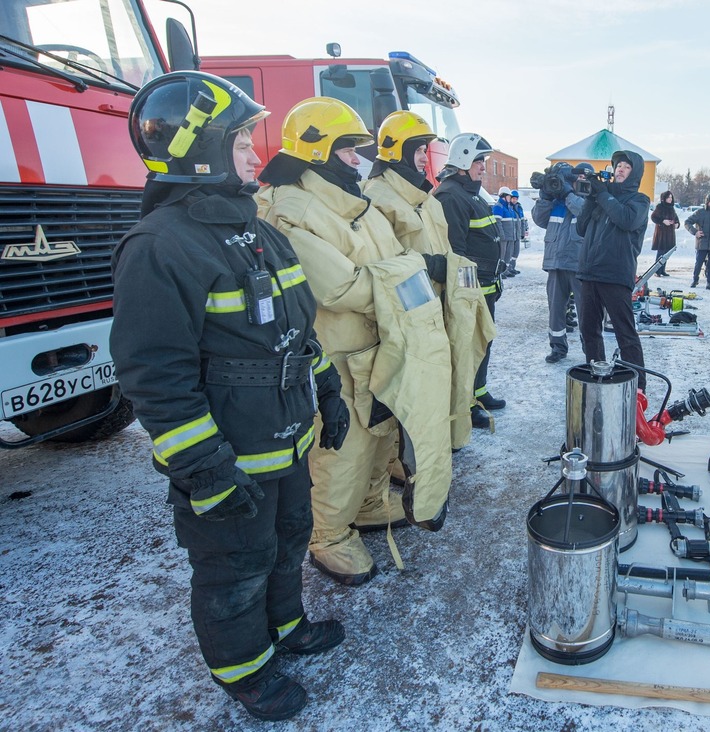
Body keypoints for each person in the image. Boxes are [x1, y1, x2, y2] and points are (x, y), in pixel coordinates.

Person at [112, 72, 348, 721]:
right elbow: (156, 376)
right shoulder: (161, 246)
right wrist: (206, 470)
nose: (254, 150)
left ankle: (285, 628)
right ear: (198, 147)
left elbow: (300, 330)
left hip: (286, 440)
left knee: (288, 539)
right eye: (241, 138)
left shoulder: (261, 233)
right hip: (231, 458)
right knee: (234, 565)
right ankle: (247, 673)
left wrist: (326, 389)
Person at [257, 97, 452, 588]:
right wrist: (404, 277)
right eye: (348, 152)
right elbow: (340, 288)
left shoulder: (354, 206)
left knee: (380, 430)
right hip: (337, 353)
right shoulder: (292, 212)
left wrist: (398, 277)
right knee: (343, 448)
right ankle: (327, 535)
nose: (359, 162)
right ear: (318, 152)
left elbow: (391, 266)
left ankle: (367, 505)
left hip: (379, 343)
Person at [364, 111, 495, 452]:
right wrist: (430, 267)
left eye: (426, 149)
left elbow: (449, 250)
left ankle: (440, 446)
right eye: (419, 149)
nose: (426, 158)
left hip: (436, 306)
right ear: (398, 151)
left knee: (445, 380)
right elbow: (382, 264)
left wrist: (453, 280)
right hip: (409, 315)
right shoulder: (379, 196)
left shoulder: (424, 197)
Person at [434, 133, 505, 429]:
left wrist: (495, 277)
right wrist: (467, 293)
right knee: (466, 348)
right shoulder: (451, 196)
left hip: (485, 287)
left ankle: (479, 391)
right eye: (479, 161)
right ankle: (466, 404)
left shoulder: (470, 193)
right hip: (470, 291)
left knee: (482, 343)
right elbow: (456, 252)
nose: (483, 168)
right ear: (462, 160)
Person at [576, 150, 650, 390]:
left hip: (616, 275)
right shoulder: (602, 198)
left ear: (634, 173)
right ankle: (597, 375)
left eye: (626, 167)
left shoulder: (639, 201)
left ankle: (638, 387)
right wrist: (591, 197)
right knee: (589, 330)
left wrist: (604, 195)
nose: (620, 169)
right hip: (589, 272)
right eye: (618, 165)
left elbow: (626, 220)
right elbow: (580, 228)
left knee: (624, 332)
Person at [533, 161, 587, 363]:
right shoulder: (557, 200)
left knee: (585, 310)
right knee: (555, 309)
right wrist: (545, 196)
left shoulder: (587, 199)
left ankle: (590, 347)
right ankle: (557, 347)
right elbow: (539, 219)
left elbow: (584, 213)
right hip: (556, 262)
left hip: (579, 264)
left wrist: (567, 194)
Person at [685, 193, 710, 290]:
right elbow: (687, 222)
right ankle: (695, 280)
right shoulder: (700, 213)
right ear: (707, 202)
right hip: (702, 243)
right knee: (699, 263)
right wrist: (695, 232)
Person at [649, 190, 679, 277]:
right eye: (668, 197)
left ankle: (662, 270)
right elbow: (653, 217)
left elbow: (676, 218)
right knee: (661, 252)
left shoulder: (671, 208)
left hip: (670, 233)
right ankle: (657, 270)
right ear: (664, 198)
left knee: (667, 252)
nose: (670, 199)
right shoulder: (660, 207)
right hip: (661, 233)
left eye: (671, 197)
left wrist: (677, 223)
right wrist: (662, 221)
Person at [493, 185, 521, 277]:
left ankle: (506, 270)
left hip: (510, 236)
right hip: (504, 236)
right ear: (503, 196)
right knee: (502, 255)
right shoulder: (499, 206)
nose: (510, 197)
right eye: (509, 196)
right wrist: (501, 235)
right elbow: (497, 222)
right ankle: (500, 272)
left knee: (508, 255)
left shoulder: (508, 207)